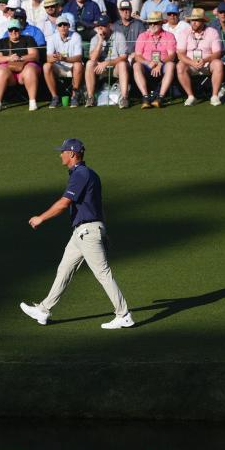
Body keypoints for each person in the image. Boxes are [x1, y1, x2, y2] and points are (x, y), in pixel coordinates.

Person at [20, 138, 134, 330]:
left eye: (63, 151)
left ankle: (123, 314)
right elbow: (97, 206)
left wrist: (41, 217)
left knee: (102, 273)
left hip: (87, 231)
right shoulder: (91, 174)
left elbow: (64, 203)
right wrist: (103, 231)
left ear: (72, 154)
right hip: (82, 232)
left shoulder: (80, 175)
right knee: (64, 269)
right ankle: (44, 309)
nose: (60, 154)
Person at [176, 8, 224, 106]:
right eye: (192, 20)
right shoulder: (184, 32)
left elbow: (217, 53)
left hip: (208, 63)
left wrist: (205, 60)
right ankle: (190, 96)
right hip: (190, 64)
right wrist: (191, 62)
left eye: (197, 20)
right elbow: (180, 54)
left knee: (218, 64)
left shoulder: (212, 32)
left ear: (203, 21)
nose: (194, 23)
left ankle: (214, 96)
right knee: (180, 66)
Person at [0, 19, 40, 111]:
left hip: (26, 68)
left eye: (16, 29)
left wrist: (20, 58)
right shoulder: (1, 42)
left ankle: (32, 101)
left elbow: (34, 55)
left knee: (30, 69)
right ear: (8, 31)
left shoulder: (28, 39)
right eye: (11, 30)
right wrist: (9, 58)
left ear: (20, 30)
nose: (13, 32)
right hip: (9, 71)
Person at [85, 15, 130, 108]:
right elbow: (93, 58)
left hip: (115, 67)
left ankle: (124, 98)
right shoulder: (95, 38)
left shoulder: (119, 36)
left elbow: (124, 56)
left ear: (109, 26)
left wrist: (107, 63)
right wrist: (100, 41)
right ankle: (90, 97)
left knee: (122, 64)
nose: (100, 28)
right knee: (89, 63)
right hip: (100, 68)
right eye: (98, 26)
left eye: (103, 26)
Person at [133, 11, 176, 107]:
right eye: (150, 23)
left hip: (163, 64)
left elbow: (172, 55)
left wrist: (160, 63)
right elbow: (137, 55)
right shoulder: (142, 36)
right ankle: (145, 97)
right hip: (147, 65)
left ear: (161, 23)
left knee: (171, 65)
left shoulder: (169, 36)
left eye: (155, 22)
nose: (152, 25)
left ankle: (160, 98)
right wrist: (147, 63)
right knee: (136, 65)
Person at [44, 14, 84, 107]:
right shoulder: (52, 38)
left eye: (65, 25)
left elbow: (79, 57)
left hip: (72, 66)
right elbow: (48, 58)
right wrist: (56, 57)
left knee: (78, 65)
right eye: (60, 25)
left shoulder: (76, 36)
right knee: (46, 66)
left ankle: (75, 96)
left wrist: (64, 58)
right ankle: (55, 97)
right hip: (59, 66)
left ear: (69, 26)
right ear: (57, 27)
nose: (63, 27)